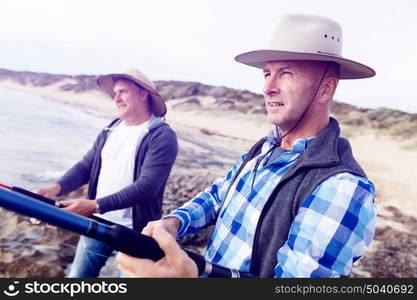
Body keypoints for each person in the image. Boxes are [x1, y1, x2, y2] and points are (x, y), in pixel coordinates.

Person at [117, 14, 377, 278]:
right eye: (267, 74)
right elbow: (221, 193)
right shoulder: (266, 146)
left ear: (325, 88)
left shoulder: (342, 186)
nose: (267, 87)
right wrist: (174, 222)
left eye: (286, 73)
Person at [34, 68, 178, 277]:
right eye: (114, 94)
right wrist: (54, 188)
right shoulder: (111, 128)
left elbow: (148, 186)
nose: (116, 98)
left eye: (123, 92)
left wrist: (94, 205)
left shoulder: (161, 135)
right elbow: (86, 166)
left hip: (136, 231)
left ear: (143, 93)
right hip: (98, 223)